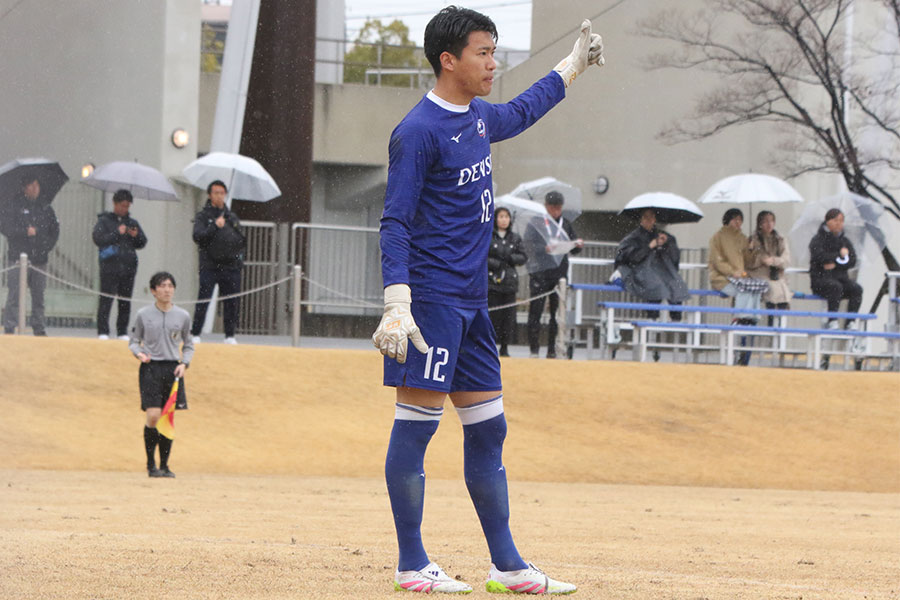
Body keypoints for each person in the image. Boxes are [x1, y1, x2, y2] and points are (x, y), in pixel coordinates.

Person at [372, 6, 602, 594]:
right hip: (430, 305)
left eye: (494, 51)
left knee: (489, 430)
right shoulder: (417, 131)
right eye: (483, 52)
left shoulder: (476, 117)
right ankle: (411, 563)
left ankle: (507, 566)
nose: (493, 63)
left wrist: (571, 69)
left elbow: (522, 111)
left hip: (474, 306)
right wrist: (397, 300)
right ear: (448, 60)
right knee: (416, 429)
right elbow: (394, 221)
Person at [129, 271, 193, 478]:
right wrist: (138, 353)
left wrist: (184, 363)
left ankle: (165, 465)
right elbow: (133, 340)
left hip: (173, 369)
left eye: (170, 286)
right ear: (154, 291)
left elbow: (189, 345)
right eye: (162, 286)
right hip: (151, 368)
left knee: (168, 417)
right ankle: (150, 464)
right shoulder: (143, 314)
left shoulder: (183, 316)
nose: (167, 290)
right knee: (154, 415)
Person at [524, 191, 583, 359]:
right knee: (535, 311)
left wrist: (577, 244)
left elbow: (574, 247)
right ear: (546, 207)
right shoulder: (537, 222)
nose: (556, 211)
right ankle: (534, 349)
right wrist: (544, 249)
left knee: (556, 314)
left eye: (558, 208)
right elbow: (528, 245)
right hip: (539, 272)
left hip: (559, 274)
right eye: (552, 208)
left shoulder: (566, 224)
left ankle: (552, 349)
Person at [1, 175, 60, 335]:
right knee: (14, 294)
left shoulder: (46, 208)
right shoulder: (14, 206)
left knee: (38, 295)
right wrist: (24, 232)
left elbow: (54, 231)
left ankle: (38, 327)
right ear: (24, 188)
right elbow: (6, 228)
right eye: (31, 186)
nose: (35, 189)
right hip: (17, 258)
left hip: (39, 259)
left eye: (37, 185)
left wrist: (43, 243)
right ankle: (9, 326)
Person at [708, 208, 767, 366]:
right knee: (743, 289)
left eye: (740, 219)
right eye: (735, 219)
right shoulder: (718, 237)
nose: (738, 222)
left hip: (740, 277)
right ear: (727, 220)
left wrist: (751, 249)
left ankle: (751, 316)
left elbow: (747, 261)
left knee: (751, 288)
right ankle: (739, 317)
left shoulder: (742, 238)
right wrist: (731, 272)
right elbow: (716, 260)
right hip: (722, 278)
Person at [190, 180, 246, 345]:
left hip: (230, 267)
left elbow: (241, 239)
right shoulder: (203, 216)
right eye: (216, 192)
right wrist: (214, 226)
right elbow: (198, 236)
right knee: (204, 299)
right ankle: (196, 332)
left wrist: (238, 258)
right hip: (210, 265)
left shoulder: (232, 217)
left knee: (231, 302)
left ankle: (230, 335)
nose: (219, 196)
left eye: (222, 193)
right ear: (210, 195)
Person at [614, 208, 689, 321]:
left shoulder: (662, 235)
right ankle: (652, 317)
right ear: (641, 219)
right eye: (646, 217)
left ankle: (676, 319)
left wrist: (666, 244)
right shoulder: (633, 238)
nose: (649, 220)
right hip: (639, 272)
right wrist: (649, 246)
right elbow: (631, 258)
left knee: (676, 284)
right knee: (655, 285)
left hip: (659, 272)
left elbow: (673, 259)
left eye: (652, 217)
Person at [92, 189, 148, 340]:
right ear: (115, 204)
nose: (125, 209)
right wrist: (117, 233)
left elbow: (142, 242)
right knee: (106, 298)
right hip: (109, 266)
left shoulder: (132, 223)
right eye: (122, 205)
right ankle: (103, 330)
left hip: (128, 267)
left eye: (127, 206)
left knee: (125, 300)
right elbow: (98, 239)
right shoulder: (104, 221)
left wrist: (136, 236)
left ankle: (122, 331)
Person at [808, 208, 862, 329]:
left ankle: (851, 321)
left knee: (856, 289)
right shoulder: (818, 240)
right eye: (835, 220)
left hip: (841, 278)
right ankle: (832, 320)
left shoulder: (844, 241)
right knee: (835, 287)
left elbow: (852, 260)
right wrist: (838, 255)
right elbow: (819, 257)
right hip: (821, 280)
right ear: (827, 221)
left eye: (841, 220)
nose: (839, 223)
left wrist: (836, 263)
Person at [488, 207, 527, 357]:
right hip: (492, 282)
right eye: (501, 216)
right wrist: (495, 263)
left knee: (508, 317)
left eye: (506, 217)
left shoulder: (515, 238)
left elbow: (523, 256)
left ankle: (505, 346)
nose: (504, 220)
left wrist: (511, 259)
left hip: (509, 282)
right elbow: (483, 254)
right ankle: (491, 345)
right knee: (493, 316)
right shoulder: (489, 236)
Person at [745, 210, 791, 326]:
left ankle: (778, 324)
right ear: (759, 224)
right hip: (759, 274)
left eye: (771, 221)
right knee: (772, 289)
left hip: (776, 275)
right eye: (765, 222)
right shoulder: (753, 240)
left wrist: (774, 261)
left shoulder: (780, 239)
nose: (769, 224)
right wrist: (755, 255)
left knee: (782, 290)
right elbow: (748, 263)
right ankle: (772, 324)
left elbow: (786, 260)